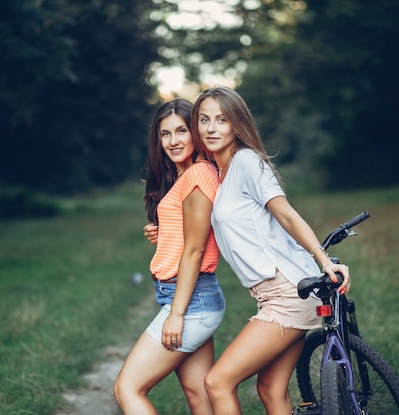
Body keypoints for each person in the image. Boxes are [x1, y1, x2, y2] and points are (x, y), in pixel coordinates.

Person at [190, 86, 351, 415]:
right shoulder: (220, 173)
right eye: (204, 119)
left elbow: (287, 215)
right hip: (278, 292)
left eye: (221, 120)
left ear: (237, 124)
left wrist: (323, 260)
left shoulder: (246, 162)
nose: (211, 128)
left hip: (287, 291)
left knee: (217, 382)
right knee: (271, 390)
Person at [113, 99, 226, 415]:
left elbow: (196, 249)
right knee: (198, 393)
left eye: (182, 131)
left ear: (196, 133)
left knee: (127, 388)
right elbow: (193, 234)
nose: (174, 141)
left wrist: (176, 314)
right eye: (165, 134)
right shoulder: (186, 175)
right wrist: (162, 234)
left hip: (189, 301)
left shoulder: (198, 174)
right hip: (191, 296)